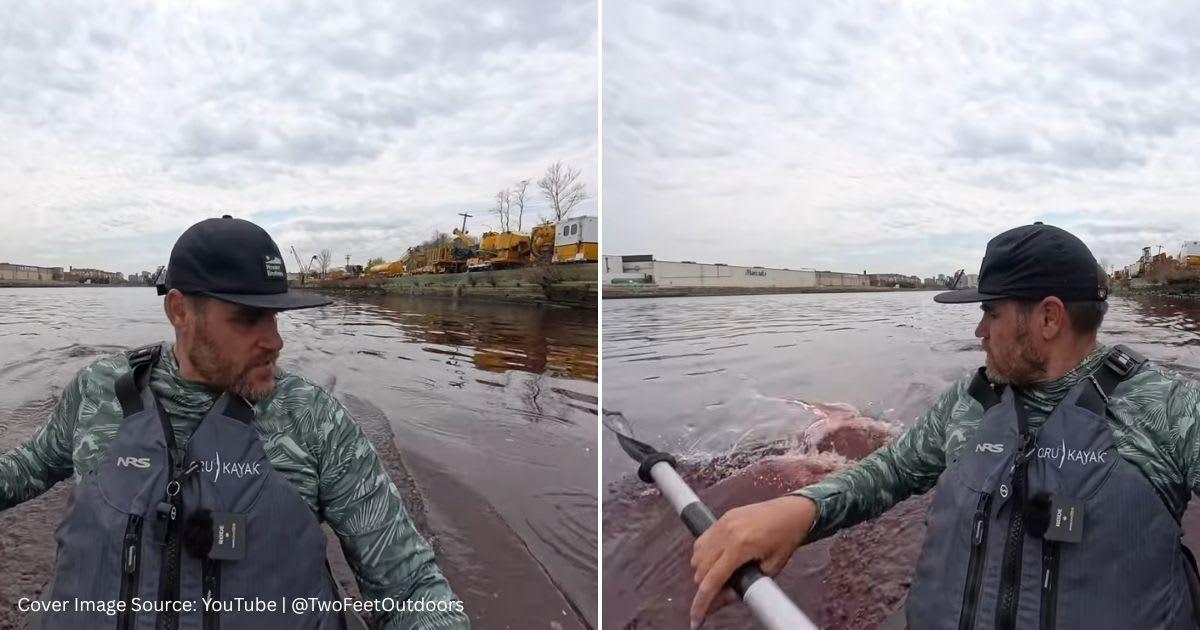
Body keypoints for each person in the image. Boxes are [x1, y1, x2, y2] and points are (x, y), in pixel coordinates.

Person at [689, 222, 1200, 629]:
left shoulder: (1172, 409)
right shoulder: (970, 402)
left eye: (991, 314)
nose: (979, 332)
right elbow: (889, 470)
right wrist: (801, 509)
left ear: (1048, 319)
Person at [0, 216, 470, 630]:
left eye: (275, 316)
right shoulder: (99, 391)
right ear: (180, 311)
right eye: (248, 319)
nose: (275, 342)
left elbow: (412, 589)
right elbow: (32, 465)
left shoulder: (312, 420)